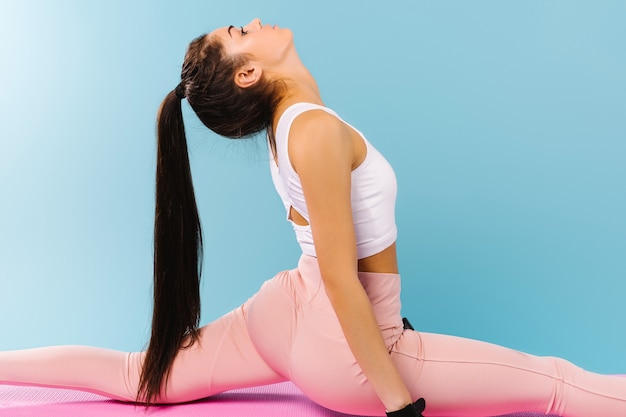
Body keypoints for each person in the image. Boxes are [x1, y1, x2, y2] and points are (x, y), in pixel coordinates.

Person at [1, 18, 625, 417]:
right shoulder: (316, 131)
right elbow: (339, 277)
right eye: (239, 31)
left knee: (139, 375)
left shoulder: (289, 128)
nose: (253, 21)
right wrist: (398, 404)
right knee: (555, 384)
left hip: (281, 313)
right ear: (249, 73)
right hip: (343, 346)